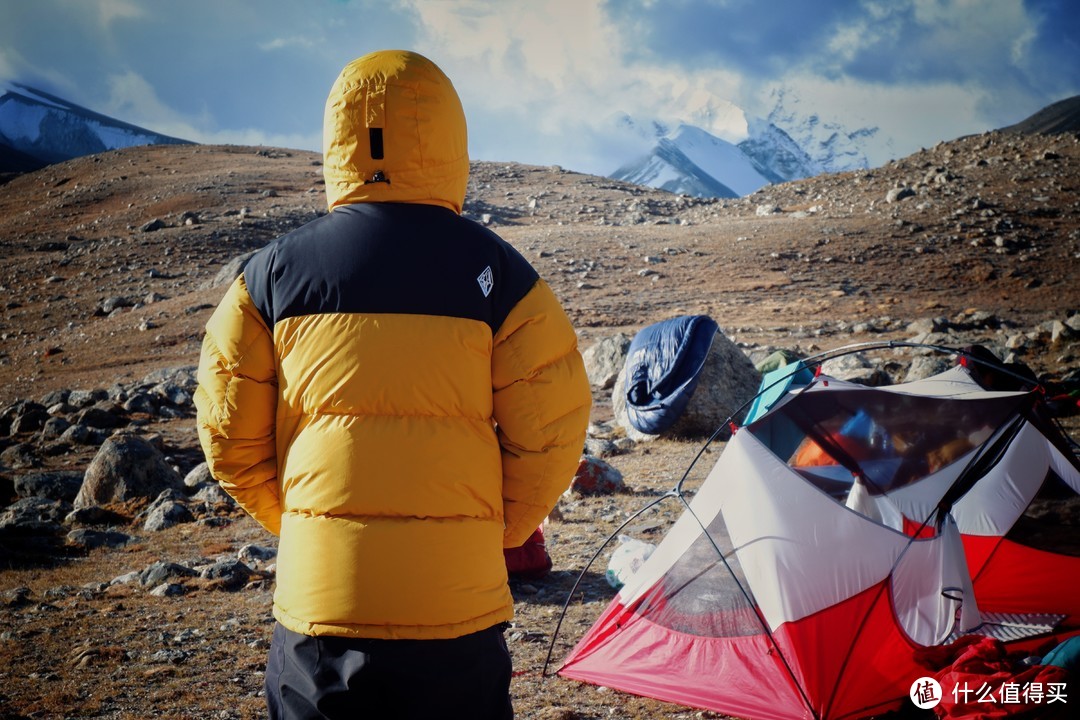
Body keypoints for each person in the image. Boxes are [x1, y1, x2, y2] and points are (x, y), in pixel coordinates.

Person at [194, 49, 591, 719]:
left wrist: (305, 525)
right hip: (456, 608)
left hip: (321, 611)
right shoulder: (499, 272)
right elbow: (552, 431)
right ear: (447, 136)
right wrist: (492, 529)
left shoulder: (270, 275)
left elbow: (226, 432)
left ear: (339, 139)